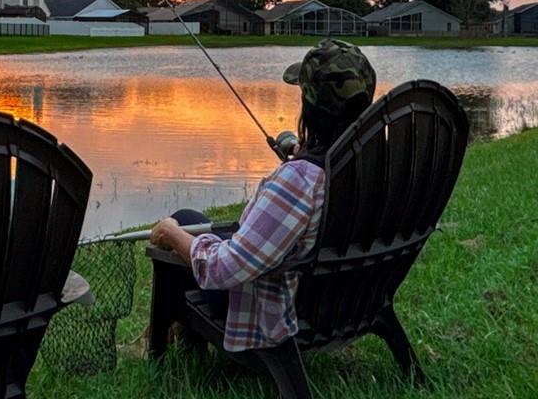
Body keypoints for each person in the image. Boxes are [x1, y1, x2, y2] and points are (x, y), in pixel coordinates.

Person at [147, 39, 377, 354]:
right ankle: (187, 338)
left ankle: (164, 348)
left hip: (280, 310)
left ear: (310, 105)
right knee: (199, 225)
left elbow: (223, 269)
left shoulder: (300, 181)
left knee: (184, 223)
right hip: (344, 303)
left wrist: (172, 235)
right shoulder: (372, 165)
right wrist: (305, 155)